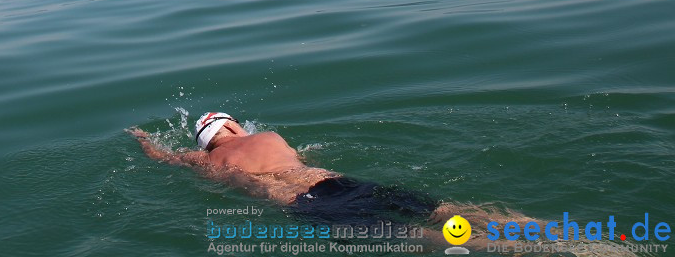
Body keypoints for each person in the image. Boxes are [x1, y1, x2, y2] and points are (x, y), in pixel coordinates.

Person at [128, 111, 505, 243]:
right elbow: (301, 158)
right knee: (441, 210)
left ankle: (505, 249)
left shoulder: (209, 162)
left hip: (306, 204)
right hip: (335, 182)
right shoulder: (269, 137)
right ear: (231, 126)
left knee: (417, 236)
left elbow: (163, 157)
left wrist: (143, 139)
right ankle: (539, 230)